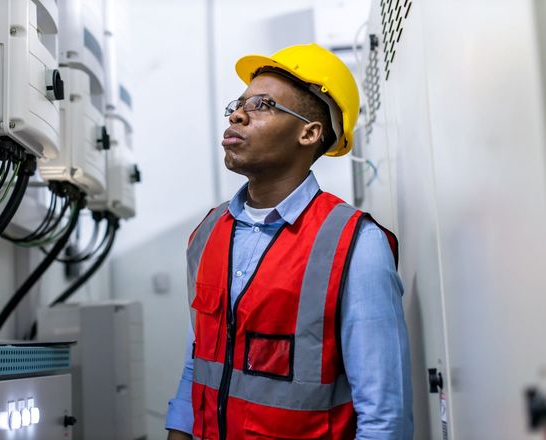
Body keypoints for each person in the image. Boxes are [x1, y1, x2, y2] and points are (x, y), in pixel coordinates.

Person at [165, 43, 413, 440]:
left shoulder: (355, 243)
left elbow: (383, 415)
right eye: (239, 102)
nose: (237, 114)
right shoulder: (208, 233)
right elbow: (201, 359)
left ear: (309, 132)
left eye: (262, 105)